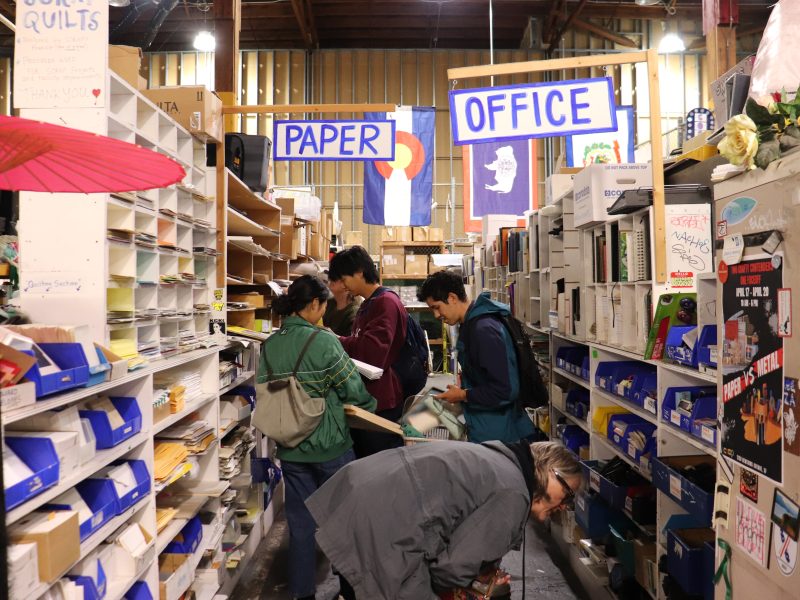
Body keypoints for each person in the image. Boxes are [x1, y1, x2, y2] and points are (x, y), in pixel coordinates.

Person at [306, 440, 582, 600]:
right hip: (380, 528)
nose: (564, 505)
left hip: (361, 501)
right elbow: (449, 570)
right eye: (567, 492)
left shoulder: (502, 463)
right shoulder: (513, 495)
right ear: (548, 468)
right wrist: (476, 584)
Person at [257, 275, 377, 600]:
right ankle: (350, 590)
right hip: (331, 449)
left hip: (292, 450)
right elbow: (353, 389)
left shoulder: (269, 345)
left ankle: (303, 594)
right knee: (343, 525)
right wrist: (370, 406)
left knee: (301, 528)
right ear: (313, 305)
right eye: (322, 306)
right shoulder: (324, 341)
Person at [418, 270, 535, 443]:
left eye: (436, 307)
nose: (436, 315)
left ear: (452, 297)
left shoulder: (484, 330)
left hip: (503, 436)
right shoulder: (471, 324)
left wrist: (464, 395)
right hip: (489, 427)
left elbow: (506, 390)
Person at [329, 245, 409, 456]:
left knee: (379, 462)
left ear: (359, 272)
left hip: (381, 400)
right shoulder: (370, 304)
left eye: (344, 278)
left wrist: (336, 341)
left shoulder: (385, 303)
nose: (344, 286)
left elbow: (372, 354)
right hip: (370, 397)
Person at [323, 269, 360, 336]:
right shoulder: (328, 303)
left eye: (335, 278)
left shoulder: (354, 313)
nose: (331, 279)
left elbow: (350, 342)